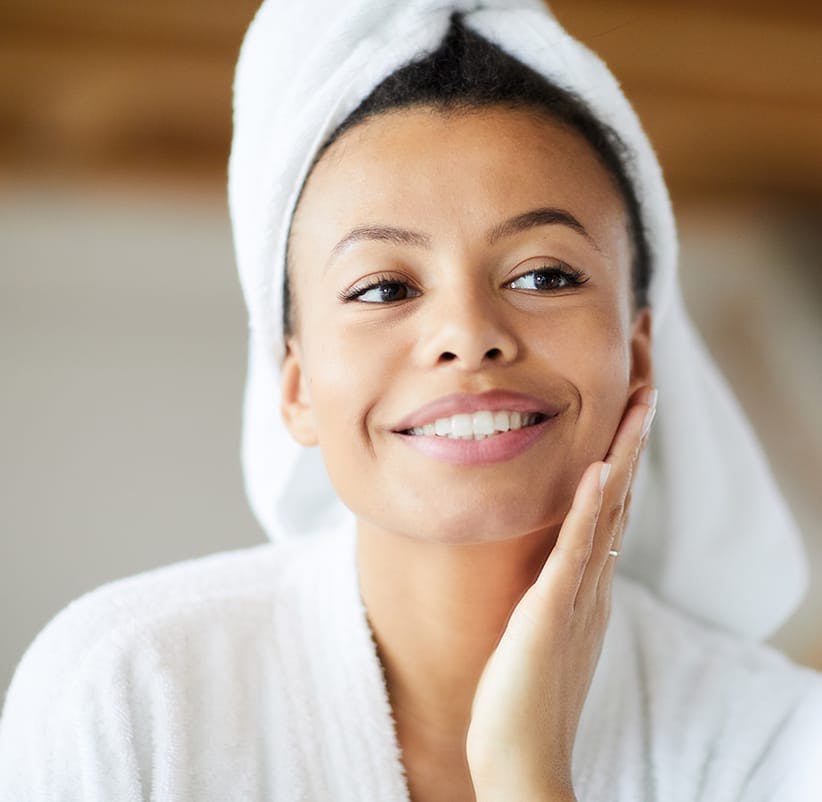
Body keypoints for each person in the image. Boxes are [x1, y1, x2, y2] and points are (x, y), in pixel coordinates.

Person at [1, 2, 820, 800]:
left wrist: (524, 773)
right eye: (384, 287)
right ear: (295, 388)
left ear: (639, 352)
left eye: (543, 275)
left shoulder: (772, 746)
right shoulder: (133, 692)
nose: (468, 334)